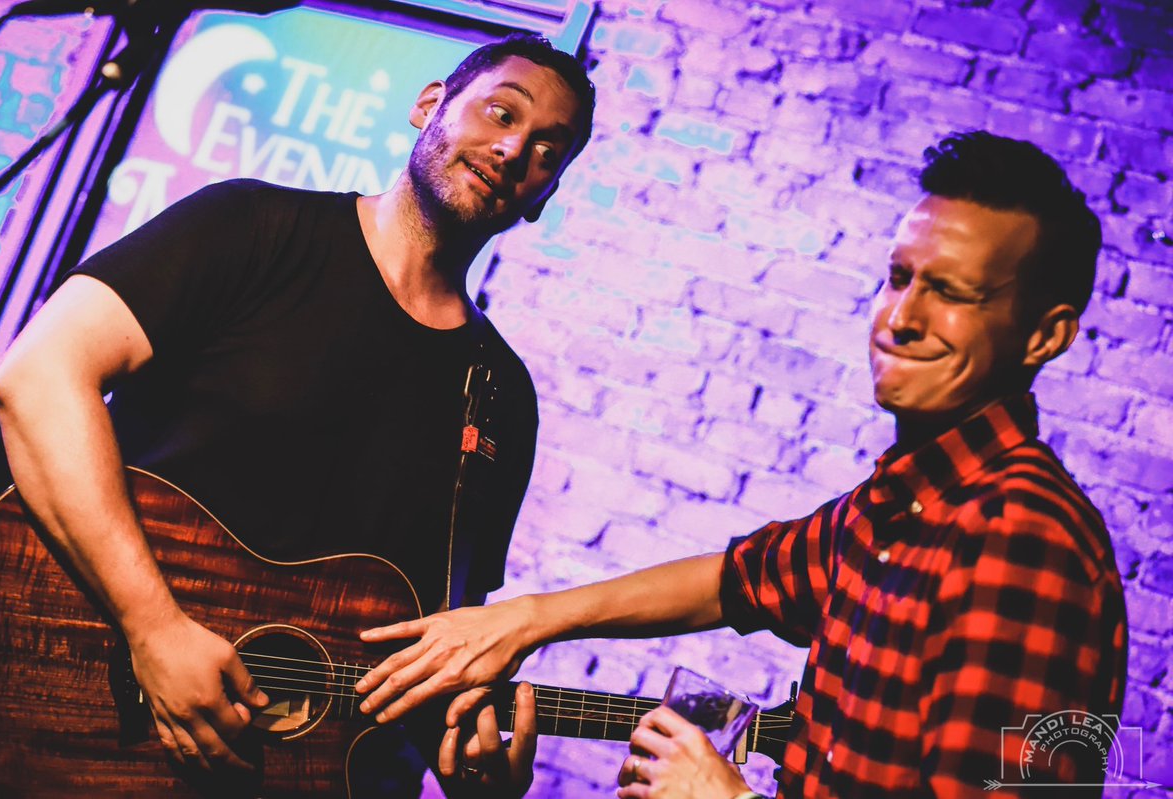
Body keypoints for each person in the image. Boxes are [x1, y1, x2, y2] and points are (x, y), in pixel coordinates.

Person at [352, 131, 1128, 798]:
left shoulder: (1021, 538)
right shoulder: (903, 505)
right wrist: (521, 621)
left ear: (1045, 336)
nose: (902, 317)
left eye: (953, 292)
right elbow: (736, 578)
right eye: (898, 278)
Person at [0, 32, 594, 798]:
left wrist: (472, 777)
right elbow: (39, 375)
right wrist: (153, 628)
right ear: (430, 105)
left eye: (548, 152)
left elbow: (435, 648)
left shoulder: (502, 395)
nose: (513, 149)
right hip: (70, 725)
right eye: (501, 113)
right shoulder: (251, 227)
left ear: (546, 197)